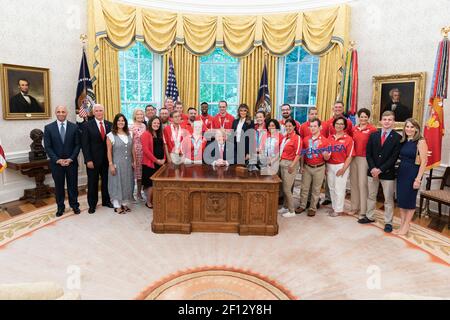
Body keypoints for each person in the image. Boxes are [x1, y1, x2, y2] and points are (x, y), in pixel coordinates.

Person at [360, 111, 401, 233]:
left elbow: (394, 158)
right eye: (385, 119)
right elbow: (368, 153)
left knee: (388, 199)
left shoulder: (397, 138)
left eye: (389, 119)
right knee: (371, 196)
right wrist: (373, 168)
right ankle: (370, 216)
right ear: (381, 121)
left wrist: (380, 169)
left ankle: (388, 222)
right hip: (372, 171)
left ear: (393, 122)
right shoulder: (374, 135)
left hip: (387, 173)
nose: (387, 121)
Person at [44, 106, 81, 217]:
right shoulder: (48, 128)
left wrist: (71, 159)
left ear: (66, 113)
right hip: (57, 164)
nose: (61, 113)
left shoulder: (74, 127)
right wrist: (57, 160)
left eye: (63, 111)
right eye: (58, 111)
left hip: (71, 163)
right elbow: (48, 147)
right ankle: (60, 207)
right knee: (59, 187)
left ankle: (74, 206)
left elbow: (77, 145)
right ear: (55, 113)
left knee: (72, 186)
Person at [394, 118, 428, 235]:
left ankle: (407, 225)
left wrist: (418, 179)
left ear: (416, 129)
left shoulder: (420, 141)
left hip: (413, 173)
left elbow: (424, 162)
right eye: (407, 127)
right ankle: (402, 224)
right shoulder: (404, 140)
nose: (409, 129)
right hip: (402, 172)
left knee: (410, 200)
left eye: (412, 127)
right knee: (402, 200)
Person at [81, 104, 114, 214]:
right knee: (92, 183)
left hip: (107, 160)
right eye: (97, 111)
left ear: (103, 112)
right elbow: (85, 145)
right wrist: (88, 160)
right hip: (93, 161)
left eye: (101, 110)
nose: (99, 112)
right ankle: (92, 204)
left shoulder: (110, 125)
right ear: (93, 112)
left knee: (106, 182)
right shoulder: (87, 125)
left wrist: (111, 161)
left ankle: (106, 201)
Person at [296, 118, 331, 217]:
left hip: (319, 167)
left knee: (316, 189)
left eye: (315, 126)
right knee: (304, 188)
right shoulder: (306, 139)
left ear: (320, 127)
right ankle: (302, 205)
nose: (312, 128)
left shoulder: (325, 141)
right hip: (307, 166)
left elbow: (328, 157)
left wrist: (325, 155)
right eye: (311, 126)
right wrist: (302, 166)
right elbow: (302, 154)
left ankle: (312, 207)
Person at [349, 108, 377, 218]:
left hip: (364, 159)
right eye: (361, 116)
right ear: (358, 117)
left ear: (368, 118)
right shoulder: (354, 129)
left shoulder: (372, 129)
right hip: (354, 158)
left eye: (365, 117)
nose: (363, 118)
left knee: (362, 184)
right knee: (354, 183)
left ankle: (363, 210)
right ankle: (354, 207)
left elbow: (374, 146)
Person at [106, 114, 135, 214]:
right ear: (115, 122)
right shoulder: (110, 135)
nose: (121, 122)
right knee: (116, 183)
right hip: (117, 163)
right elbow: (109, 151)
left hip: (127, 164)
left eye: (123, 120)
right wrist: (111, 164)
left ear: (125, 122)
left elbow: (132, 149)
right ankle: (117, 205)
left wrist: (134, 161)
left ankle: (124, 203)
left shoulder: (129, 133)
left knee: (127, 182)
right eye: (119, 120)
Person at [326, 117, 354, 217]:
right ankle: (334, 207)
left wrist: (343, 169)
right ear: (334, 125)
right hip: (329, 165)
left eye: (341, 124)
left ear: (344, 126)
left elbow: (350, 156)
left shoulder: (349, 139)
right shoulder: (330, 138)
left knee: (340, 188)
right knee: (332, 187)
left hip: (341, 165)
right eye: (337, 123)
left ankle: (339, 209)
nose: (339, 125)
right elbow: (326, 153)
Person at [278, 119, 302, 218]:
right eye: (286, 126)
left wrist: (292, 165)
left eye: (290, 126)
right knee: (284, 187)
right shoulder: (285, 138)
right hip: (282, 162)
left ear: (294, 127)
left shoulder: (297, 138)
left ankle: (292, 211)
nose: (288, 128)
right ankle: (285, 206)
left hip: (290, 164)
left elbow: (299, 153)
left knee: (287, 188)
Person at [141, 116, 166, 209]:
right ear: (150, 123)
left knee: (158, 184)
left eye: (158, 123)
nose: (156, 125)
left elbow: (164, 147)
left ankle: (155, 200)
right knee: (150, 184)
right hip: (150, 163)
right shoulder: (146, 134)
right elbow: (146, 150)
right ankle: (148, 202)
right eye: (155, 123)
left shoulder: (160, 134)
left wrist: (164, 159)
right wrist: (156, 160)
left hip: (160, 162)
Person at [130, 108, 147, 201]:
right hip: (135, 152)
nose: (140, 116)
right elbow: (130, 143)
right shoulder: (131, 127)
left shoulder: (144, 126)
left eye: (141, 114)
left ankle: (139, 193)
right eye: (138, 114)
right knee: (133, 174)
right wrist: (133, 159)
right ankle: (131, 194)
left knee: (141, 175)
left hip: (144, 152)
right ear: (135, 116)